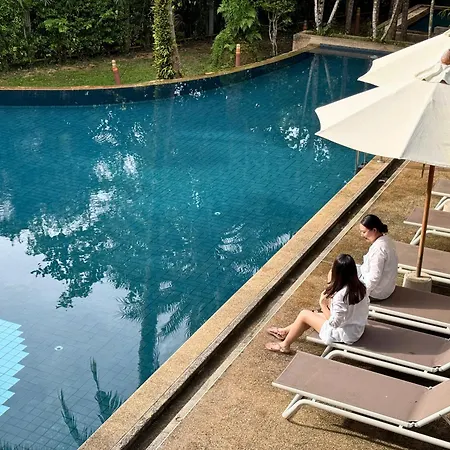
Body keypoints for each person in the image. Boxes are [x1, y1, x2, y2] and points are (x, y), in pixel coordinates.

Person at [265, 254, 369, 354]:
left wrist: (323, 305)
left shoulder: (341, 296)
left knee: (304, 314)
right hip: (356, 327)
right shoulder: (361, 286)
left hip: (344, 334)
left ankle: (284, 346)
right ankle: (284, 332)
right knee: (312, 315)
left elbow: (334, 324)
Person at [358, 214, 398, 301]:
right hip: (387, 287)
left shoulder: (378, 250)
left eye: (364, 232)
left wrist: (362, 295)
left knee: (338, 276)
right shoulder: (387, 240)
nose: (362, 235)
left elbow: (374, 277)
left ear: (374, 230)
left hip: (376, 292)